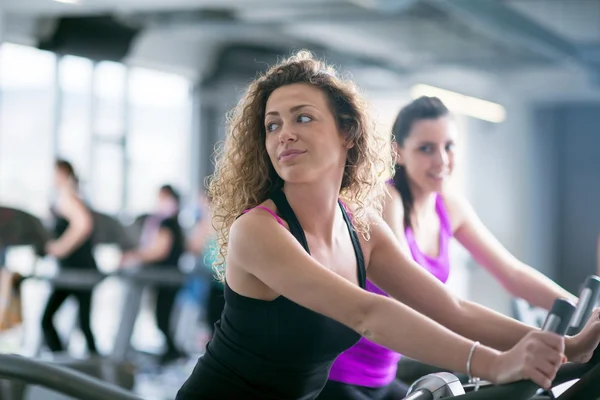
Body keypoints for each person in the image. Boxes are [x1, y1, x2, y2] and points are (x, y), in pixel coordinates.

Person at [176, 51, 600, 400]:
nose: (284, 134)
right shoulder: (259, 230)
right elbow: (368, 314)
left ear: (348, 133)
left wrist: (571, 346)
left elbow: (449, 308)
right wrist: (496, 363)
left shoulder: (361, 227)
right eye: (273, 124)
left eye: (302, 118)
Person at [318, 96, 582, 399]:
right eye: (426, 148)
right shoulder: (387, 202)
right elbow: (425, 301)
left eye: (449, 146)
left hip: (384, 375)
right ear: (398, 152)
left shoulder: (448, 205)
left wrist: (580, 310)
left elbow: (512, 274)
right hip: (342, 375)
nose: (442, 160)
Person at [120, 184, 186, 364]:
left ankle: (174, 354)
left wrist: (136, 255)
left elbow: (160, 251)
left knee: (162, 320)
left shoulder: (167, 223)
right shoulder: (173, 223)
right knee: (162, 320)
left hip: (167, 277)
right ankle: (173, 353)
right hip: (168, 276)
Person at [42, 159, 98, 355]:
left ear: (63, 173)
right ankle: (68, 365)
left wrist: (60, 248)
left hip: (77, 271)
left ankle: (60, 368)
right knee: (84, 325)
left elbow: (84, 224)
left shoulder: (68, 198)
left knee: (47, 320)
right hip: (78, 270)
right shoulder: (72, 197)